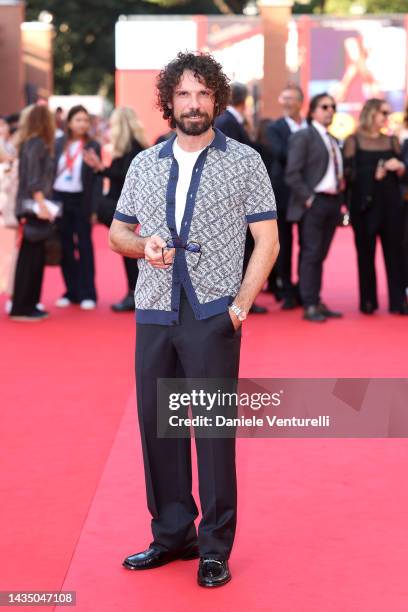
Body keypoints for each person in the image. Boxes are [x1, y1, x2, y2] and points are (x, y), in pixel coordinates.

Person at [109, 51, 279, 587]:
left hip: (212, 314)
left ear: (217, 99)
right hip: (155, 311)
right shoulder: (145, 163)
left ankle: (214, 547)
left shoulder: (245, 161)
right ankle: (172, 533)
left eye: (203, 93)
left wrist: (240, 305)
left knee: (210, 432)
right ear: (168, 101)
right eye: (183, 93)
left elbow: (268, 240)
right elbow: (118, 234)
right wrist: (143, 246)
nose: (193, 103)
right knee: (158, 428)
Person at [343, 99, 407, 315]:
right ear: (370, 113)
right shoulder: (354, 140)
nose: (386, 117)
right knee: (365, 253)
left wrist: (400, 168)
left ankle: (399, 302)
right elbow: (348, 174)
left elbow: (403, 174)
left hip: (391, 206)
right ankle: (368, 302)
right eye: (383, 112)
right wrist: (372, 174)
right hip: (365, 207)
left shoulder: (392, 141)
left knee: (395, 254)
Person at [285, 93, 344, 322]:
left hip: (332, 202)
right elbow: (292, 173)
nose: (330, 110)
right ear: (312, 111)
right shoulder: (304, 136)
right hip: (314, 203)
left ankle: (315, 300)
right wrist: (309, 198)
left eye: (333, 106)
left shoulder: (333, 139)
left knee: (320, 254)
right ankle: (309, 304)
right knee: (311, 254)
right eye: (324, 106)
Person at [83, 107, 147, 312]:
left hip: (129, 207)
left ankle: (134, 294)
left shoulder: (133, 147)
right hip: (124, 205)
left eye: (113, 125)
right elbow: (120, 175)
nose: (110, 129)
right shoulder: (131, 147)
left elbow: (126, 177)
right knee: (128, 250)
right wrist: (101, 167)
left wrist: (102, 168)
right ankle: (133, 293)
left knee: (130, 250)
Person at [215, 82, 267, 314]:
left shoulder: (231, 120)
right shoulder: (228, 122)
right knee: (241, 247)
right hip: (234, 194)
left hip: (239, 193)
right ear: (243, 99)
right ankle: (241, 299)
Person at [9, 105, 56, 321]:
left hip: (29, 206)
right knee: (31, 259)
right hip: (33, 207)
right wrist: (43, 205)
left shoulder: (30, 143)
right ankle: (23, 306)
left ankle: (25, 304)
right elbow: (34, 179)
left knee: (31, 257)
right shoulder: (37, 144)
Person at [53, 105, 102, 310]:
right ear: (69, 122)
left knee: (84, 246)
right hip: (59, 198)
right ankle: (71, 291)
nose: (82, 124)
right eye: (78, 120)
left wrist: (94, 208)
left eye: (85, 120)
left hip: (81, 199)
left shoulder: (92, 145)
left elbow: (96, 179)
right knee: (64, 246)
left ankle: (87, 292)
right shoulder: (58, 143)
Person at [266, 85, 307, 309]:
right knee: (284, 243)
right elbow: (280, 153)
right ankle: (286, 290)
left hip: (305, 192)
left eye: (292, 99)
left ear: (301, 101)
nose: (287, 103)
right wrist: (306, 155)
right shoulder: (275, 128)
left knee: (307, 242)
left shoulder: (309, 125)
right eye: (285, 98)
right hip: (282, 193)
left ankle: (303, 288)